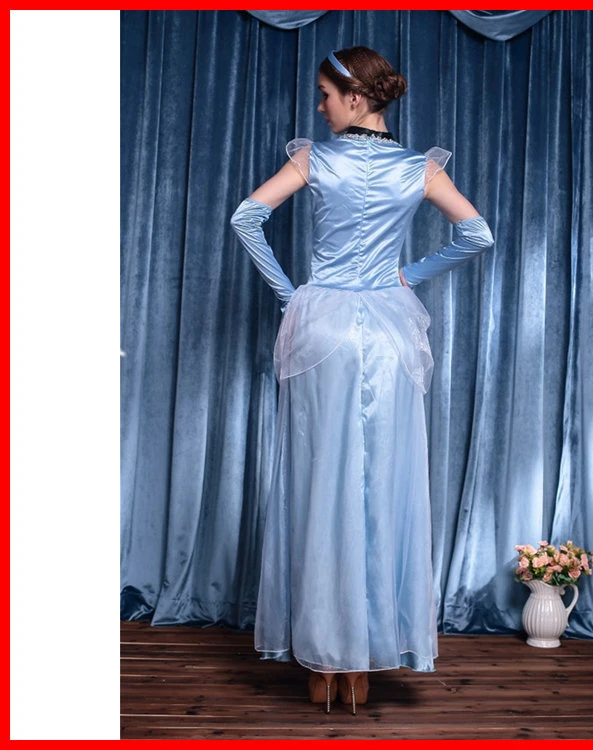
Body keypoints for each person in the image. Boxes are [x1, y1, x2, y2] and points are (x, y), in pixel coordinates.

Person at [230, 46, 494, 715]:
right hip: (389, 330)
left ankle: (324, 657)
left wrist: (293, 296)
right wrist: (407, 276)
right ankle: (369, 657)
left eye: (325, 95)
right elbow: (476, 236)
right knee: (385, 486)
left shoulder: (316, 159)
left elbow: (246, 218)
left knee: (323, 483)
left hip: (322, 328)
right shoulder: (418, 168)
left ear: (354, 97)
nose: (320, 107)